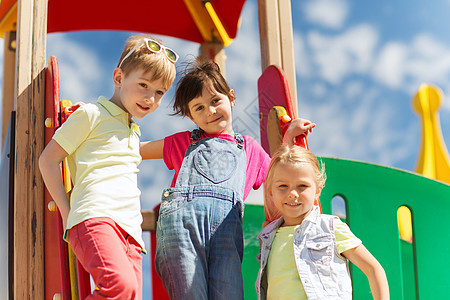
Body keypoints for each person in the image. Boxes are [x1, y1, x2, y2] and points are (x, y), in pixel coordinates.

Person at [139, 61, 315, 299]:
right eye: (198, 108)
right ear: (191, 116)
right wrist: (98, 138)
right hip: (183, 231)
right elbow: (135, 150)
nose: (210, 111)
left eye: (215, 101)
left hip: (225, 237)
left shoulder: (250, 149)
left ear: (231, 98)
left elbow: (279, 173)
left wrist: (289, 136)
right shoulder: (184, 142)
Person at [39, 34, 178, 299]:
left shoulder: (131, 131)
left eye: (159, 92)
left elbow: (159, 148)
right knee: (120, 288)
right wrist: (67, 212)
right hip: (95, 218)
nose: (150, 97)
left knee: (130, 295)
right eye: (143, 85)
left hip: (130, 234)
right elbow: (48, 159)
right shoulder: (91, 114)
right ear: (118, 78)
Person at [255, 145, 390, 300]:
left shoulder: (330, 228)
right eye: (283, 186)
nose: (292, 194)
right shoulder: (267, 235)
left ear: (317, 190)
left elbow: (373, 268)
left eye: (302, 186)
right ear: (270, 191)